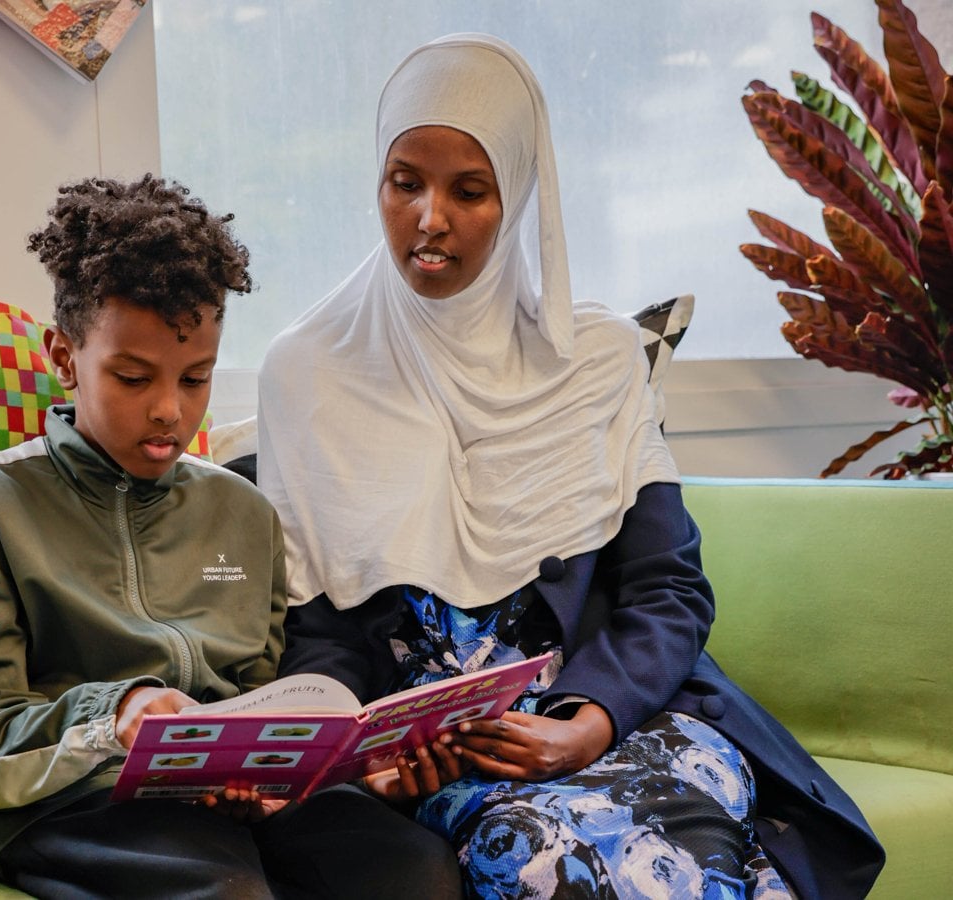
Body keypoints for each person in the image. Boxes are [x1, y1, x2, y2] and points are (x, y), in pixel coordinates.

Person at [257, 34, 885, 899]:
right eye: (405, 182)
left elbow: (669, 589)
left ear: (517, 200)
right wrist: (362, 751)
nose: (429, 218)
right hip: (454, 765)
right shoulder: (309, 371)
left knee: (694, 856)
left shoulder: (596, 358)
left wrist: (587, 723)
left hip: (620, 719)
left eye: (468, 191)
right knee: (538, 854)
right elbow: (319, 632)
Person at [0, 174, 461, 899]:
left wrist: (279, 773)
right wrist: (117, 716)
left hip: (223, 804)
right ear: (62, 356)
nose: (170, 411)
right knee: (228, 892)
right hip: (79, 799)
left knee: (415, 872)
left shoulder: (243, 512)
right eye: (134, 377)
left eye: (197, 378)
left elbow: (261, 693)